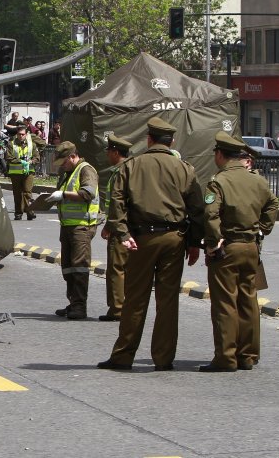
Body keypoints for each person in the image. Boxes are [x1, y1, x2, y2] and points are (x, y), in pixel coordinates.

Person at [97, 117, 204, 372]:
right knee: (168, 301)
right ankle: (163, 358)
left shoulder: (132, 166)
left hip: (141, 239)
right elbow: (197, 209)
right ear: (172, 142)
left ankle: (123, 356)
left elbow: (117, 202)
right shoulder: (184, 168)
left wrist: (122, 234)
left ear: (149, 139)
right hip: (175, 239)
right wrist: (193, 242)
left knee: (135, 299)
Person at [200, 132, 279, 373]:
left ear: (221, 155)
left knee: (225, 302)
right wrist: (262, 230)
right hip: (251, 247)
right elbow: (272, 204)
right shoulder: (257, 180)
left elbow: (210, 214)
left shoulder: (219, 182)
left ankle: (226, 357)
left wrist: (214, 243)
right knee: (248, 301)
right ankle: (248, 355)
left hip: (228, 248)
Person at [45, 141, 99, 319]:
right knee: (68, 268)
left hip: (81, 227)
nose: (62, 166)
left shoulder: (86, 170)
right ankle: (72, 302)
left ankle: (79, 306)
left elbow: (87, 194)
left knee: (79, 268)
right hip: (68, 226)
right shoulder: (68, 172)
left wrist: (64, 195)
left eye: (64, 162)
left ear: (72, 156)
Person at [98, 135, 132, 322]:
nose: (107, 154)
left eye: (108, 151)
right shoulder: (132, 168)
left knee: (116, 269)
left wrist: (110, 226)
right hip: (130, 227)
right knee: (129, 270)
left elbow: (117, 203)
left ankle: (118, 309)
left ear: (116, 152)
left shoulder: (119, 172)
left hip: (119, 228)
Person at [5, 125, 40, 220]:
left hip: (28, 172)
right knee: (17, 193)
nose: (21, 136)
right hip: (15, 173)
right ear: (17, 134)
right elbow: (8, 157)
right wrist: (20, 161)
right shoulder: (11, 144)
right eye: (19, 134)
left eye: (23, 134)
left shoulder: (32, 144)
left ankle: (30, 211)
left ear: (26, 134)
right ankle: (18, 213)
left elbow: (37, 157)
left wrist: (31, 162)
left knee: (27, 192)